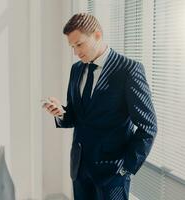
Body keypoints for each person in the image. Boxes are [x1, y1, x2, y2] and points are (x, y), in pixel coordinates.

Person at [43, 13, 157, 200]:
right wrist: (60, 113)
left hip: (113, 174)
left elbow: (148, 126)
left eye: (79, 44)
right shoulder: (77, 69)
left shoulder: (128, 70)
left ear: (97, 35)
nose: (76, 52)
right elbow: (76, 116)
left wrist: (126, 169)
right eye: (72, 47)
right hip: (80, 170)